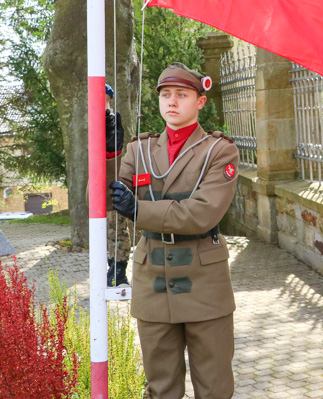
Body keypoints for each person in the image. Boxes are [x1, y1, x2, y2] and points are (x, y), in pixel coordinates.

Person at [109, 63, 239, 399]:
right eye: (166, 94)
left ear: (200, 102)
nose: (172, 101)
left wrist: (139, 210)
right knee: (161, 388)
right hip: (152, 280)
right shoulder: (138, 150)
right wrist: (109, 153)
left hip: (203, 282)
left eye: (182, 94)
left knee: (214, 387)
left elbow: (202, 213)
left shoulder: (219, 150)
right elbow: (105, 197)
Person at [104, 83, 132, 287]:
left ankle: (118, 270)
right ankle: (112, 267)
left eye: (105, 97)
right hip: (100, 187)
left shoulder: (111, 120)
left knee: (118, 230)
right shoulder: (97, 119)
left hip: (114, 187)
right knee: (108, 231)